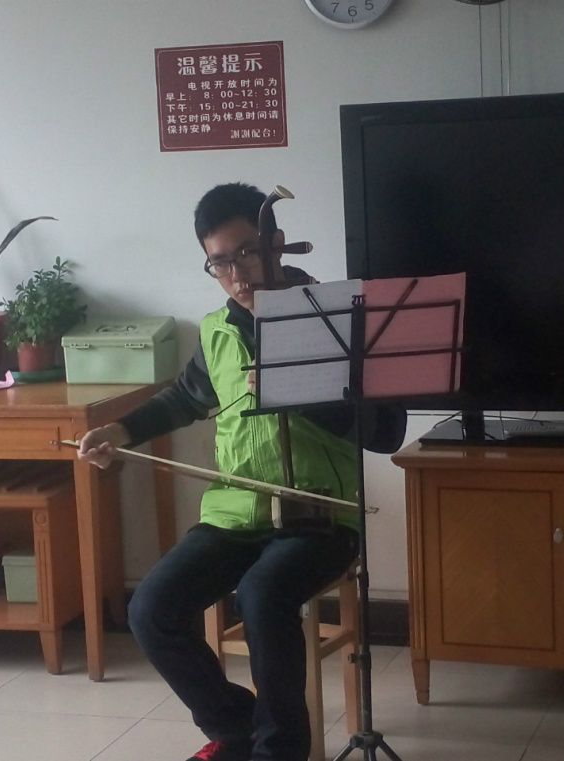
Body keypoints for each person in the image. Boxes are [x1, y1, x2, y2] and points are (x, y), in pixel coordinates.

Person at [78, 182, 406, 761]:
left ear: (277, 244)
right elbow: (185, 397)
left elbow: (387, 432)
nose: (236, 274)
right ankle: (238, 732)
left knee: (261, 593)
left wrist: (302, 392)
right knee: (150, 610)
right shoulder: (217, 330)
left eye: (247, 253)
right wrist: (121, 431)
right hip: (235, 513)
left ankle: (281, 751)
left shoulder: (338, 319)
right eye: (219, 262)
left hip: (320, 516)